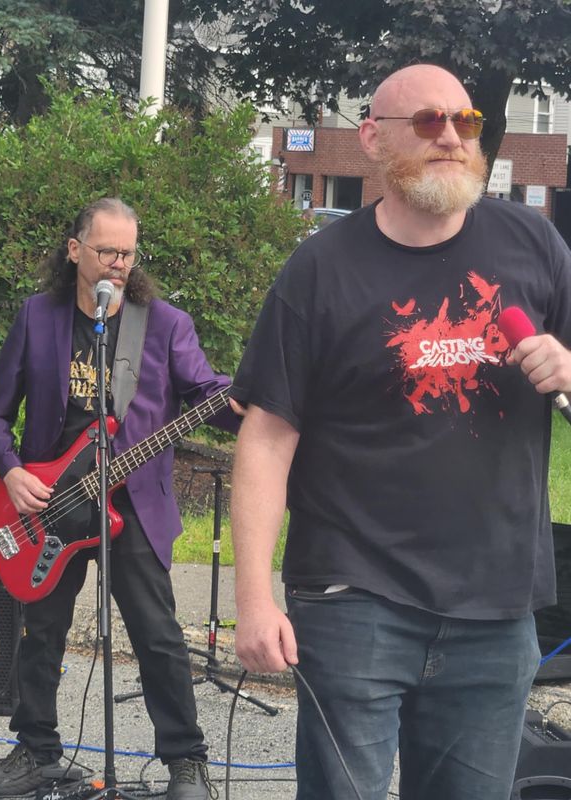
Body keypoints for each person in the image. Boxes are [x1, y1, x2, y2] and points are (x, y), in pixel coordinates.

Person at [228, 64, 571, 800]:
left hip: (496, 606)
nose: (451, 137)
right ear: (372, 139)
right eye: (427, 122)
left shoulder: (533, 244)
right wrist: (253, 597)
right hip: (356, 597)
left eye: (465, 121)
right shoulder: (320, 269)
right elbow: (266, 436)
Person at [0, 197, 241, 800]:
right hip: (48, 508)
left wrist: (248, 400)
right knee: (41, 633)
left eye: (127, 253)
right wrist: (11, 472)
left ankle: (186, 761)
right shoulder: (37, 317)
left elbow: (206, 391)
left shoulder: (165, 324)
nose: (119, 264)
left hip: (134, 502)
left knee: (158, 636)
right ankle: (37, 749)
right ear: (75, 251)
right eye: (107, 252)